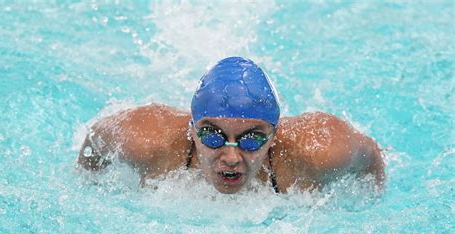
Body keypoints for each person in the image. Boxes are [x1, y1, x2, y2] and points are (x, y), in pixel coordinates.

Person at [78, 57, 385, 194]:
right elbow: (96, 137)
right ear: (191, 129)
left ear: (274, 137)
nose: (231, 157)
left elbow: (370, 153)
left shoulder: (320, 152)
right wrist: (88, 186)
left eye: (251, 140)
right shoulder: (147, 141)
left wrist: (372, 200)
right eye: (212, 135)